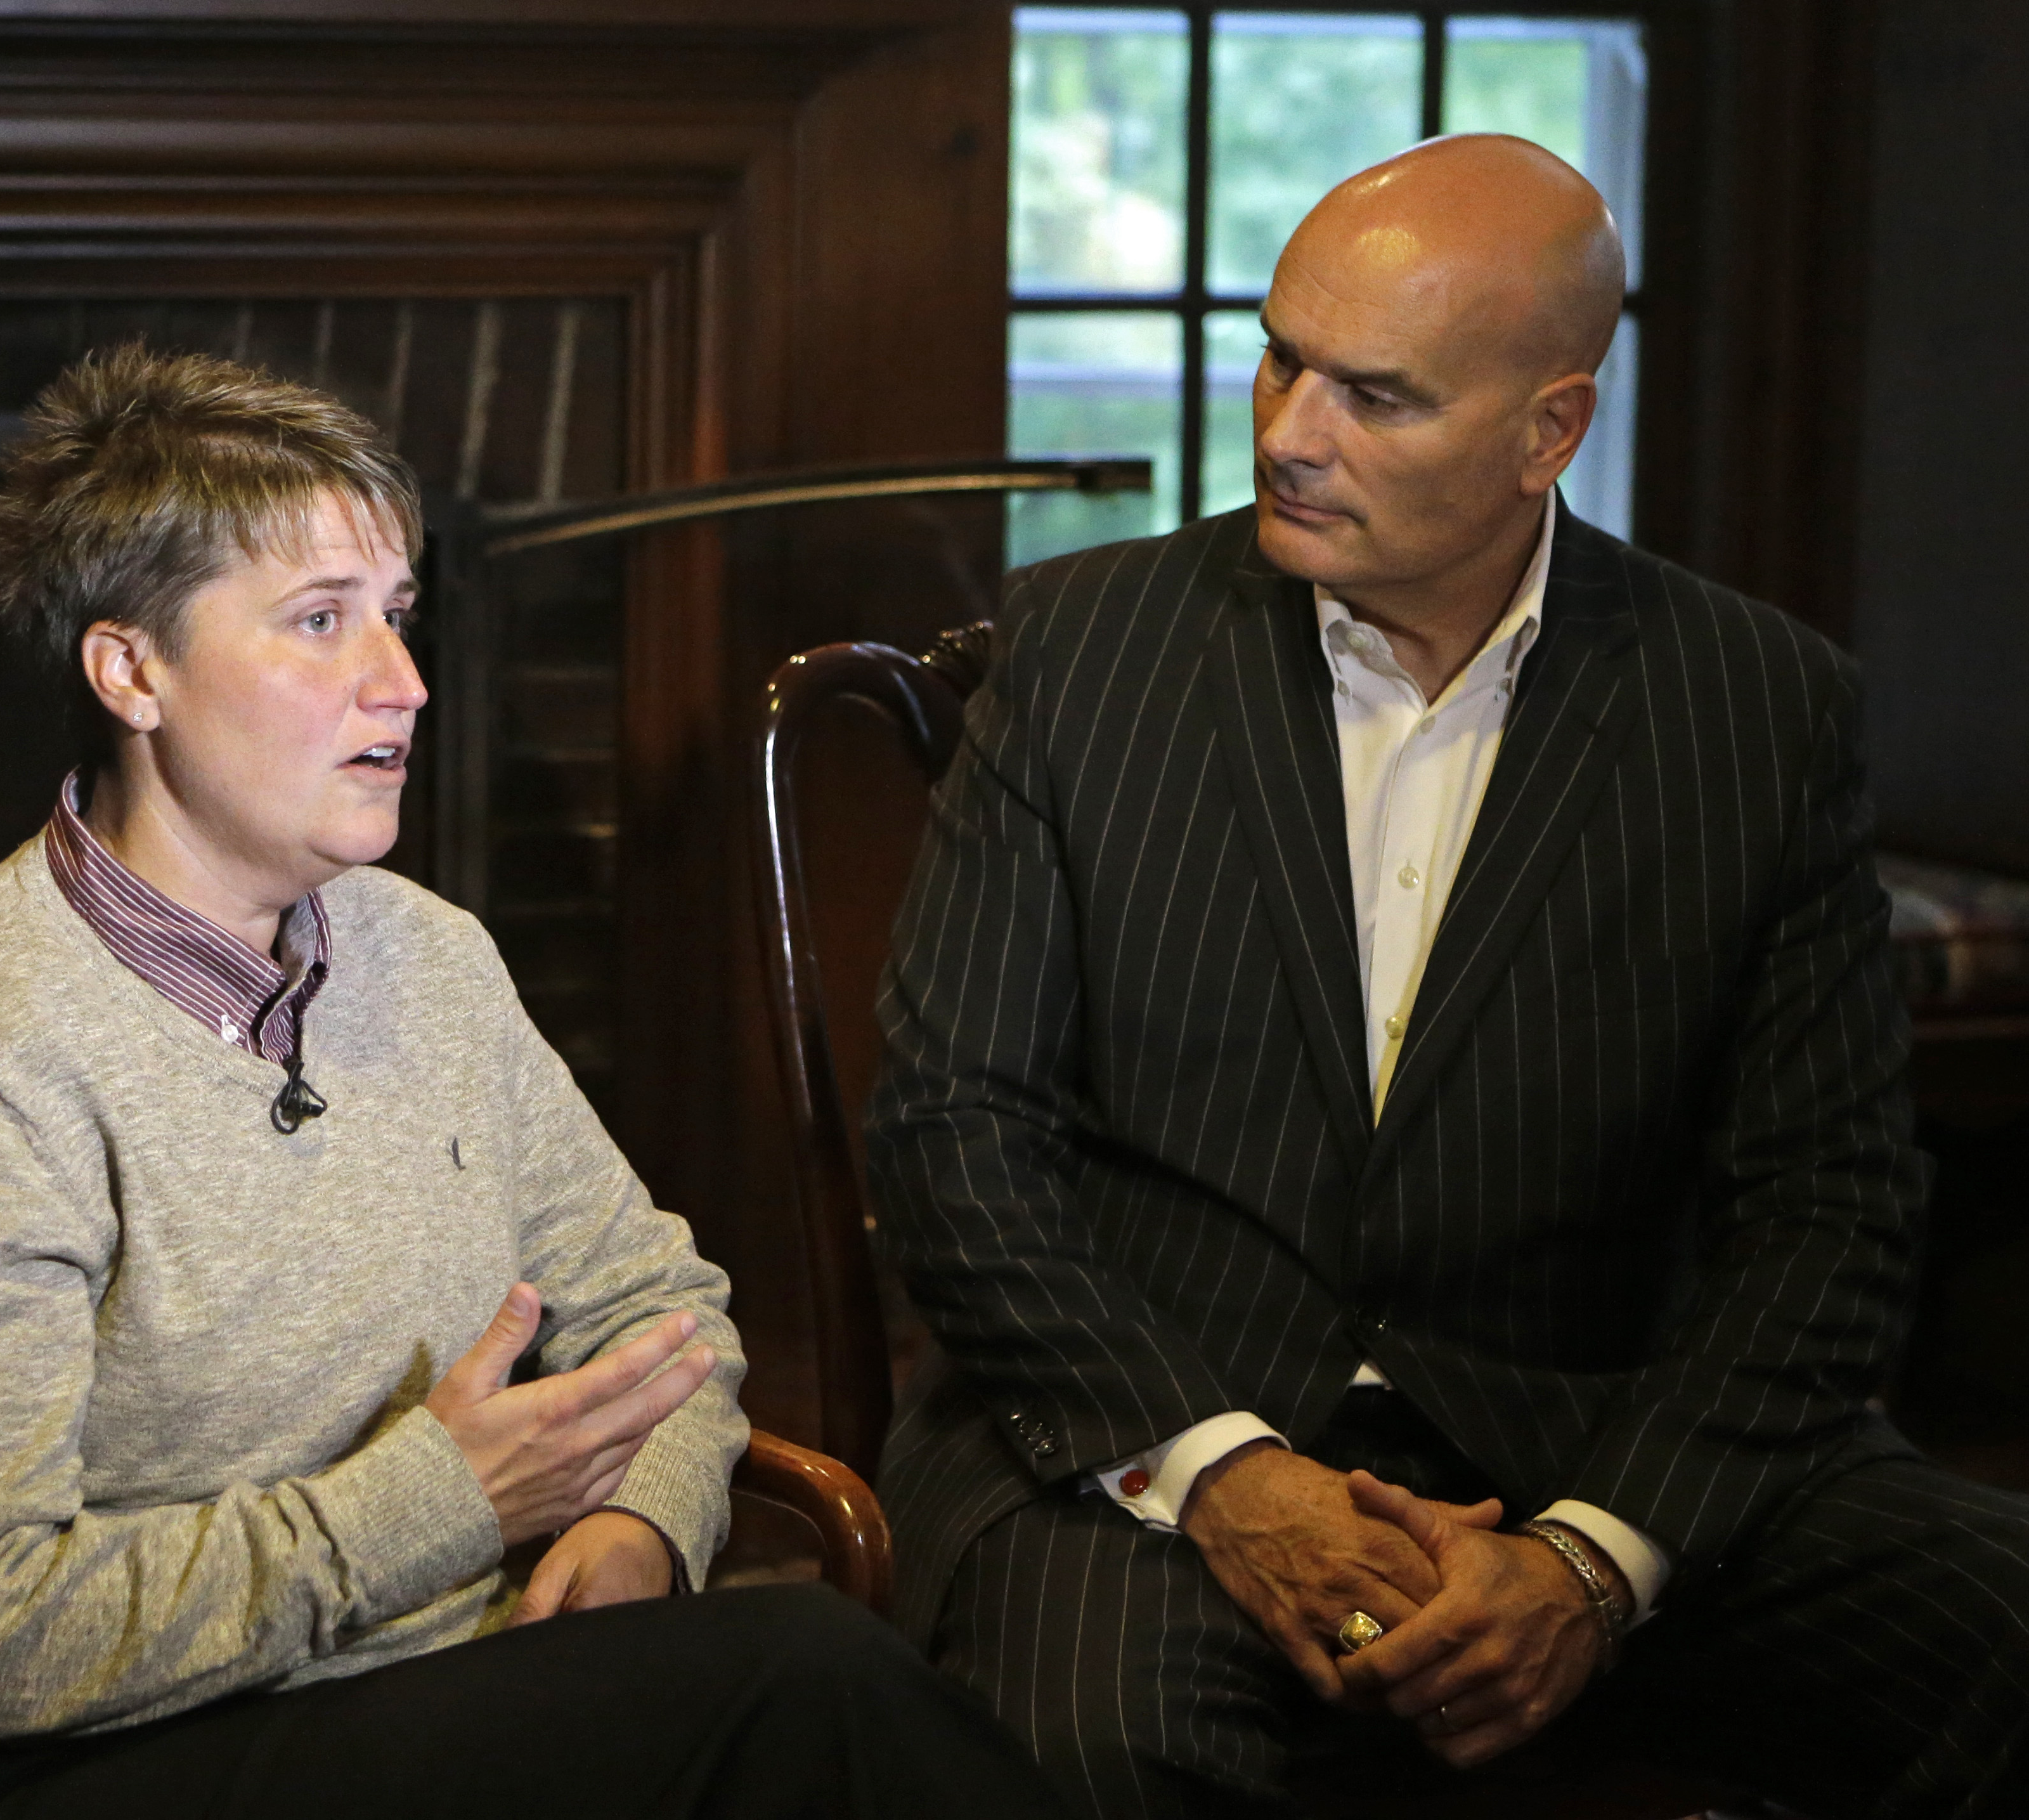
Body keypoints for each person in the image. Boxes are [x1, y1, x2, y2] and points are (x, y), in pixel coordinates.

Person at [0, 346, 1068, 1820]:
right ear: (130, 670)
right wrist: (444, 1502)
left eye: (396, 616)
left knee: (791, 1693)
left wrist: (649, 1522)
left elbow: (657, 1307)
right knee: (807, 1681)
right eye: (320, 622)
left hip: (400, 1675)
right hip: (18, 1763)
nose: (400, 683)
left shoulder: (426, 955)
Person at [867, 134, 2029, 1818]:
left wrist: (1589, 1560)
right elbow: (949, 1128)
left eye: (1373, 395)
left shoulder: (1751, 707)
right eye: (1278, 354)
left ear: (1546, 428)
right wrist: (1227, 1473)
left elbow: (1829, 1209)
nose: (1284, 431)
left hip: (1580, 1425)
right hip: (1145, 1428)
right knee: (1089, 1731)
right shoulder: (1080, 649)